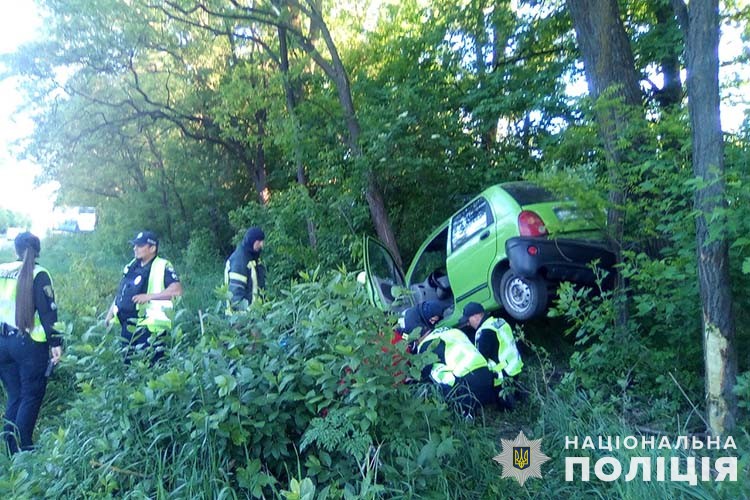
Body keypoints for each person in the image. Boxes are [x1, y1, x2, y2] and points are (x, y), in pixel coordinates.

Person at [0, 232, 63, 453]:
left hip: (2, 343)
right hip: (28, 344)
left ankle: (9, 444)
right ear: (38, 251)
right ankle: (22, 448)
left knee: (15, 395)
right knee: (30, 395)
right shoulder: (39, 273)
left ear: (14, 250)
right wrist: (56, 342)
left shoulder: (2, 269)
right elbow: (47, 312)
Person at [105, 231, 182, 363]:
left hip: (150, 330)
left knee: (149, 367)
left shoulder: (162, 266)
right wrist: (110, 313)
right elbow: (122, 292)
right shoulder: (131, 266)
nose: (135, 248)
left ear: (152, 248)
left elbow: (177, 291)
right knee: (128, 367)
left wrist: (149, 297)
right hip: (128, 327)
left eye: (140, 246)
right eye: (135, 245)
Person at [459, 302, 523, 409]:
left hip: (502, 375)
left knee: (505, 407)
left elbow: (481, 359)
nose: (468, 324)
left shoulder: (484, 332)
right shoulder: (499, 321)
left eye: (468, 320)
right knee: (516, 392)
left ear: (476, 316)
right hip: (515, 366)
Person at [224, 226, 266, 313]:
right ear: (251, 241)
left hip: (255, 314)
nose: (261, 245)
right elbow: (235, 294)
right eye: (258, 241)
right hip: (242, 319)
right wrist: (244, 316)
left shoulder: (252, 257)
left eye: (262, 241)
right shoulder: (240, 260)